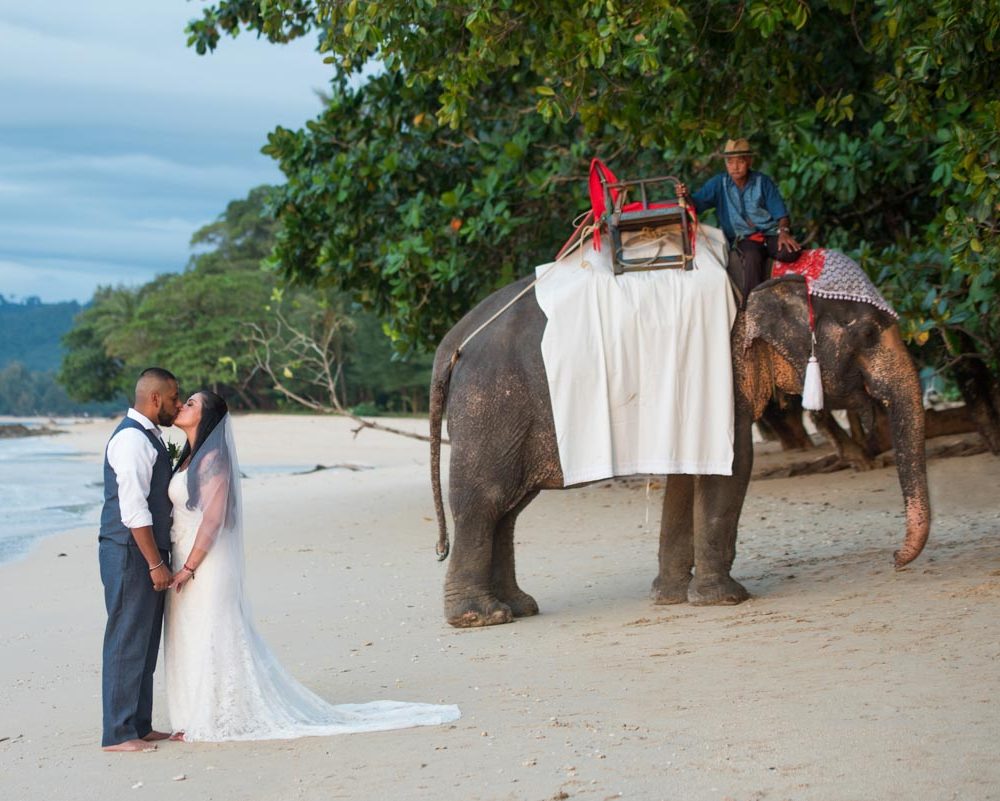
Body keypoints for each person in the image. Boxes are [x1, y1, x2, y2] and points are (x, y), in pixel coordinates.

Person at [164, 391, 460, 741]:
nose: (183, 405)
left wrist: (189, 567)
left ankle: (214, 715)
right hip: (184, 555)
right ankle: (190, 714)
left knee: (213, 632)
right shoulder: (189, 458)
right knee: (188, 633)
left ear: (207, 417)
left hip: (206, 564)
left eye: (191, 404)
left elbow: (213, 520)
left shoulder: (213, 458)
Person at [99, 367, 182, 752]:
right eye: (173, 398)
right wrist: (154, 562)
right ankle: (118, 733)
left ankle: (139, 723)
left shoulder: (150, 436)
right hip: (130, 552)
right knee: (127, 637)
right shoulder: (132, 441)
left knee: (145, 640)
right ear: (154, 399)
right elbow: (133, 510)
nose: (177, 405)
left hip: (143, 551)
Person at [677, 137, 802, 302]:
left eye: (740, 161)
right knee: (752, 256)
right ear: (726, 164)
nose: (735, 167)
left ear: (749, 161)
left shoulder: (762, 182)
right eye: (730, 162)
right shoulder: (719, 184)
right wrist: (685, 196)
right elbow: (696, 205)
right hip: (745, 238)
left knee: (790, 253)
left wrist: (784, 232)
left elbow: (781, 214)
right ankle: (753, 304)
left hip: (770, 234)